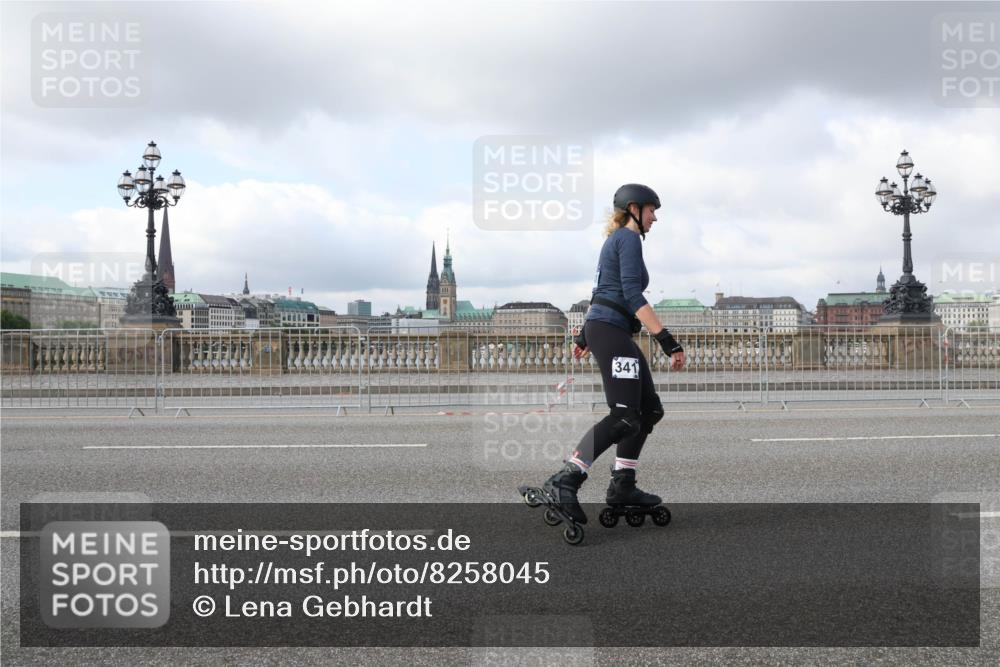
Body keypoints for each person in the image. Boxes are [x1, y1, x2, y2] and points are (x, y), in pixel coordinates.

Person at [542, 183, 685, 524]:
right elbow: (633, 296)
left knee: (648, 410)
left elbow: (603, 288)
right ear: (634, 208)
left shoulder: (618, 240)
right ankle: (567, 479)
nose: (654, 218)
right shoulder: (629, 238)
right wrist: (668, 341)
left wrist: (583, 332)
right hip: (610, 329)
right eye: (652, 211)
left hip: (609, 329)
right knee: (623, 415)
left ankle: (624, 484)